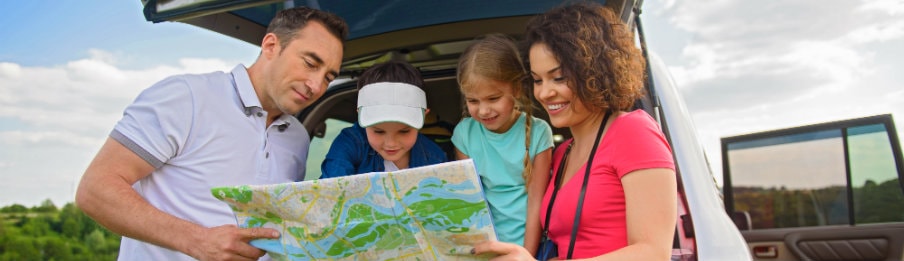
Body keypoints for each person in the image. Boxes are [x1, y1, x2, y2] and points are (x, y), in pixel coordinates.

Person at [74, 7, 347, 261]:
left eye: (328, 77)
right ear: (270, 46)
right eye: (310, 63)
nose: (316, 85)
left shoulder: (298, 137)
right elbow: (95, 190)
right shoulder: (186, 97)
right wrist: (197, 240)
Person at [473, 2, 678, 260]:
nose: (544, 93)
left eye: (559, 78)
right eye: (537, 80)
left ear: (596, 72)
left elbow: (653, 253)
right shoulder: (562, 154)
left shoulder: (633, 132)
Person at [452, 34, 553, 254]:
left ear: (516, 89)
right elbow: (471, 201)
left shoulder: (539, 132)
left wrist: (526, 255)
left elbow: (536, 203)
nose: (483, 110)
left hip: (533, 247)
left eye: (493, 98)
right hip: (486, 248)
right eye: (473, 101)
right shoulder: (464, 134)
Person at [320, 61, 447, 178]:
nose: (391, 143)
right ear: (360, 115)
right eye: (379, 131)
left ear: (424, 116)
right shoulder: (350, 144)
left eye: (404, 131)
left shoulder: (435, 158)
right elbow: (330, 189)